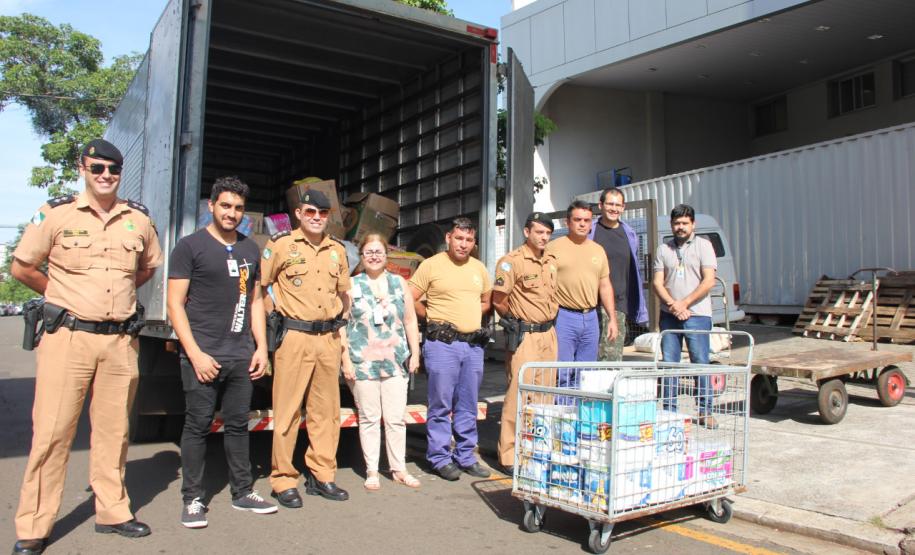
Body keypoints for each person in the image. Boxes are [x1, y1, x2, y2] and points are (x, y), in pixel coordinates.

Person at [10, 139, 162, 554]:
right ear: (83, 168)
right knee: (53, 432)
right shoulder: (57, 215)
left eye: (113, 169)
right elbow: (22, 266)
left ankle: (112, 512)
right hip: (70, 338)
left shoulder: (138, 220)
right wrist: (60, 295)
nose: (106, 176)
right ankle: (34, 526)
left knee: (114, 433)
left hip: (118, 341)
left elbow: (147, 267)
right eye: (98, 168)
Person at [166, 176, 276, 528]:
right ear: (211, 206)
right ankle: (193, 499)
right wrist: (195, 354)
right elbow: (175, 304)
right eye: (225, 206)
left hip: (240, 355)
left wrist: (261, 348)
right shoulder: (190, 247)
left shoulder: (248, 248)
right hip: (204, 356)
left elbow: (256, 299)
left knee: (238, 426)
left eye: (238, 208)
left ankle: (243, 493)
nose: (231, 213)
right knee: (197, 426)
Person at [261, 189, 352, 507]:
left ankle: (322, 475)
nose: (317, 218)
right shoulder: (281, 245)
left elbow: (344, 294)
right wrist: (275, 322)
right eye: (311, 212)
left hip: (328, 339)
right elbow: (262, 289)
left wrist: (340, 327)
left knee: (325, 413)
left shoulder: (337, 250)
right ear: (299, 213)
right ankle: (283, 480)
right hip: (294, 338)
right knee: (287, 412)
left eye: (323, 213)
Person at [409, 217, 492, 481]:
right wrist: (431, 317)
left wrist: (468, 317)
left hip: (472, 347)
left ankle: (466, 456)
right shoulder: (431, 265)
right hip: (442, 345)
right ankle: (440, 458)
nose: (463, 244)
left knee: (468, 404)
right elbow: (410, 298)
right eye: (459, 238)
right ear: (448, 238)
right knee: (441, 404)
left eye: (469, 240)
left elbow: (487, 300)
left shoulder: (479, 268)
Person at [342, 234, 422, 490]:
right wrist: (345, 361)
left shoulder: (399, 283)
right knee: (369, 418)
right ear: (362, 257)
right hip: (362, 363)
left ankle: (399, 468)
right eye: (369, 252)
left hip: (395, 361)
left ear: (386, 256)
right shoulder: (351, 286)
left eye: (378, 252)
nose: (374, 256)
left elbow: (410, 320)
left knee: (396, 418)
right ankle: (373, 470)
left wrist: (415, 353)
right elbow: (341, 325)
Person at [492, 213, 558, 470]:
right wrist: (515, 322)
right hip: (526, 336)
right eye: (539, 232)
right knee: (518, 395)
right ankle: (509, 455)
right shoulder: (511, 262)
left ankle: (537, 451)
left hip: (548, 334)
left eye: (547, 233)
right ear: (526, 232)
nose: (543, 237)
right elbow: (499, 299)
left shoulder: (551, 261)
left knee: (545, 396)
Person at [652, 204, 719, 429]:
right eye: (677, 223)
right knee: (670, 364)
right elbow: (657, 283)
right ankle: (669, 410)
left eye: (685, 223)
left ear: (693, 224)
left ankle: (705, 411)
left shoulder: (704, 246)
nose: (680, 227)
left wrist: (685, 303)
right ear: (671, 225)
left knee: (700, 362)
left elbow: (708, 281)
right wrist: (673, 305)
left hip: (697, 315)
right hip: (670, 315)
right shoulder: (664, 249)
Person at [545, 201, 618, 395]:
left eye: (587, 220)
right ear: (567, 222)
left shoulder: (597, 250)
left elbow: (605, 284)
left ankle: (581, 418)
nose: (582, 224)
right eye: (577, 220)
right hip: (564, 316)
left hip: (591, 317)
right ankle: (563, 418)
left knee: (586, 373)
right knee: (563, 371)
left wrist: (612, 318)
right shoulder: (552, 248)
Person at [588, 188, 649, 361]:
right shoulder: (590, 231)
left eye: (618, 205)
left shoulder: (629, 234)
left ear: (623, 208)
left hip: (618, 306)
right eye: (610, 204)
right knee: (590, 356)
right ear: (601, 205)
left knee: (612, 358)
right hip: (590, 304)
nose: (614, 208)